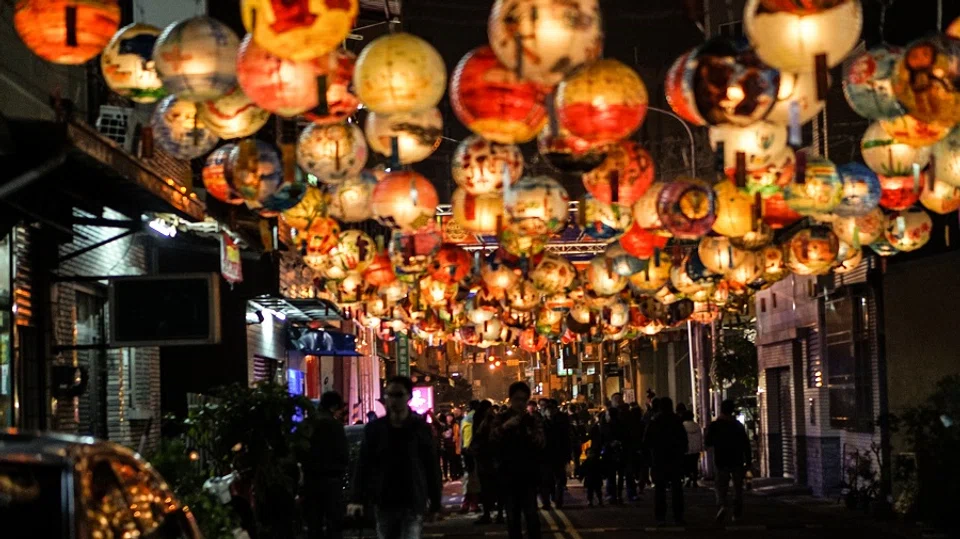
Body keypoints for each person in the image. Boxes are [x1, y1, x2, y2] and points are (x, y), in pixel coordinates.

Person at [349, 376, 442, 539]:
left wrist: (435, 503)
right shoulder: (375, 429)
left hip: (412, 499)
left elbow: (431, 466)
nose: (393, 400)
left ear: (408, 396)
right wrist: (356, 498)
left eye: (398, 395)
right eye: (389, 395)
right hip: (384, 499)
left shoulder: (420, 429)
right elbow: (363, 464)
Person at [491, 382, 544, 539]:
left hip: (528, 473)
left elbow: (541, 442)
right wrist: (506, 426)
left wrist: (529, 433)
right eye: (516, 399)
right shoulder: (501, 418)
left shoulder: (533, 420)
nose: (520, 403)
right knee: (512, 517)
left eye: (523, 400)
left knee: (531, 516)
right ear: (511, 399)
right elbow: (491, 439)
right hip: (508, 473)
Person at [303, 391, 349, 539]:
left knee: (313, 524)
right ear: (334, 406)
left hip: (310, 480)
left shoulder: (308, 424)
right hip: (331, 480)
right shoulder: (335, 426)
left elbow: (300, 450)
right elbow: (343, 453)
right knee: (334, 524)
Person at [705, 399, 752, 523]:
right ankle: (736, 513)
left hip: (721, 459)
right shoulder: (738, 425)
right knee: (737, 488)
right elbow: (746, 445)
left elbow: (708, 442)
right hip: (737, 460)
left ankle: (722, 505)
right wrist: (748, 462)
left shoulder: (715, 425)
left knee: (721, 486)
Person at [643, 397, 688, 526]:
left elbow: (646, 441)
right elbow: (683, 440)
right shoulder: (676, 420)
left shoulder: (655, 421)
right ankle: (678, 517)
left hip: (659, 458)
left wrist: (649, 455)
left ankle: (660, 517)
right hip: (675, 458)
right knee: (677, 489)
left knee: (660, 490)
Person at [471, 401, 503, 525]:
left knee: (486, 488)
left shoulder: (483, 421)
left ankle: (488, 514)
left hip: (486, 459)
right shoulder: (493, 420)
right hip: (493, 459)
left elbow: (477, 438)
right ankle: (497, 514)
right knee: (496, 488)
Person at [541, 400, 571, 508]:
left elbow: (567, 440)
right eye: (548, 411)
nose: (549, 413)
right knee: (546, 481)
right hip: (545, 456)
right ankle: (546, 502)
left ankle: (558, 501)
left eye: (551, 411)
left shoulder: (561, 424)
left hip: (558, 455)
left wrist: (567, 456)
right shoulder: (541, 424)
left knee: (559, 480)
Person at [460, 402, 481, 513]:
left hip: (466, 451)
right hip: (473, 452)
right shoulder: (477, 418)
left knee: (468, 478)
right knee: (473, 478)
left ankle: (467, 503)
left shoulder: (465, 419)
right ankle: (472, 503)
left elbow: (462, 437)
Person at [677, 403, 702, 488]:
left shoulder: (682, 426)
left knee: (686, 465)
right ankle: (694, 480)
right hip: (696, 449)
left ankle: (687, 479)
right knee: (694, 465)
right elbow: (700, 438)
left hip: (686, 449)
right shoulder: (697, 426)